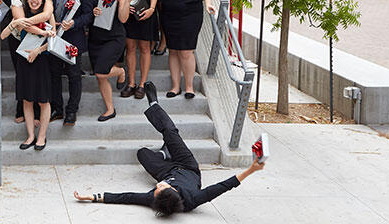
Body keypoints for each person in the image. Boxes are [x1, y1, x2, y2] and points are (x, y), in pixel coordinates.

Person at [74, 82, 266, 215]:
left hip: (167, 170)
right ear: (172, 191)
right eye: (161, 187)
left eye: (156, 189)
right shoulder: (193, 199)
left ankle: (163, 154)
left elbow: (127, 197)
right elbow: (223, 186)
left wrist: (92, 197)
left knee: (142, 153)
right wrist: (251, 169)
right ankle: (154, 104)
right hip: (188, 164)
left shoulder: (154, 198)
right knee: (170, 132)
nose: (157, 186)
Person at [1, 0, 55, 150]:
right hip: (24, 60)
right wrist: (14, 23)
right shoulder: (22, 15)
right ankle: (30, 135)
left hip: (42, 60)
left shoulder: (47, 15)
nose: (34, 0)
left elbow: (53, 38)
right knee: (27, 100)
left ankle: (41, 136)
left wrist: (38, 51)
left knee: (43, 101)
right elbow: (3, 35)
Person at [47, 0, 95, 125]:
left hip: (73, 38)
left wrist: (74, 22)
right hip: (54, 36)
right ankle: (57, 109)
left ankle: (72, 111)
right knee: (53, 74)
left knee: (74, 75)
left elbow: (89, 15)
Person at [88, 0, 131, 120]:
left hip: (114, 36)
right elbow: (88, 11)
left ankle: (120, 71)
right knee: (101, 75)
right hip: (95, 36)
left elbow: (123, 18)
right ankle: (110, 109)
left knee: (100, 72)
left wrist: (125, 1)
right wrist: (93, 11)